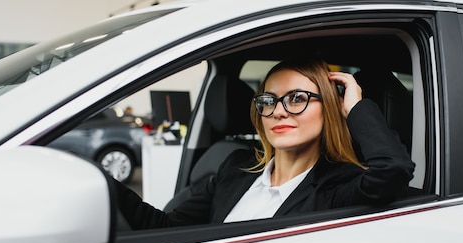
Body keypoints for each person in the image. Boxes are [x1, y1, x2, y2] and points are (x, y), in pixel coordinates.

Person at [114, 57, 415, 229]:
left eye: (298, 98)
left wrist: (356, 108)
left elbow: (393, 169)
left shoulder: (337, 186)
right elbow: (169, 231)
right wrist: (106, 186)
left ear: (332, 108)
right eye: (269, 100)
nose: (279, 110)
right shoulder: (235, 169)